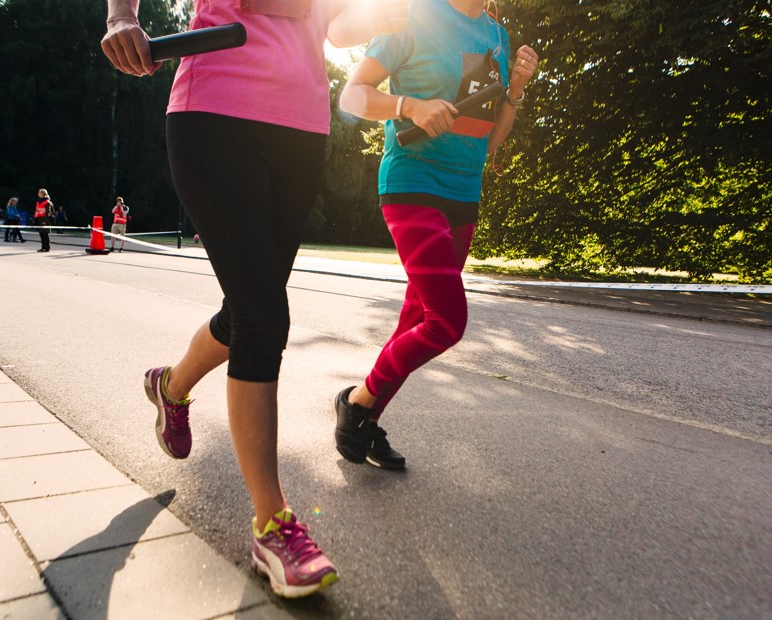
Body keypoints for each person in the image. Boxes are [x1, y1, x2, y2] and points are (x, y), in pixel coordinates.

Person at [102, 0, 409, 598]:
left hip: (300, 126)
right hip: (217, 107)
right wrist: (120, 15)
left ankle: (169, 387)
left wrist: (388, 17)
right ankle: (274, 526)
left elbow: (336, 23)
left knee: (249, 308)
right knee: (264, 314)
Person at [333, 0, 538, 470]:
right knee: (447, 321)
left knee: (417, 318)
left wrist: (517, 89)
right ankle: (357, 404)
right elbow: (352, 95)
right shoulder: (413, 15)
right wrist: (409, 106)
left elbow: (492, 138)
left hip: (464, 193)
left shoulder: (497, 37)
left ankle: (366, 417)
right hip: (413, 182)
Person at [33, 188, 52, 252]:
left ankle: (47, 247)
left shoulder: (47, 202)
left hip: (44, 219)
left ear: (43, 194)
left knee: (45, 234)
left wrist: (45, 221)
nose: (38, 193)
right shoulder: (39, 201)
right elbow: (37, 210)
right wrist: (35, 219)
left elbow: (47, 212)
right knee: (41, 234)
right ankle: (43, 247)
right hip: (39, 219)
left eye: (39, 192)